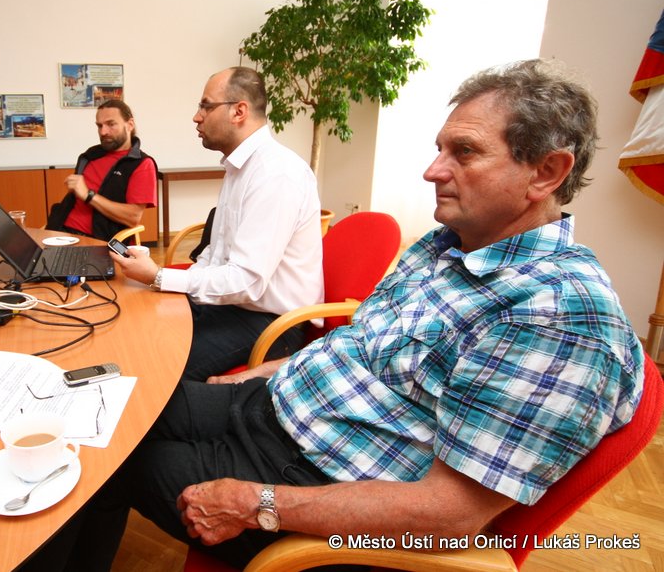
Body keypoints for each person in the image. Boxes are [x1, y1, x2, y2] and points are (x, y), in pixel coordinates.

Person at [36, 59, 645, 571]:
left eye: (464, 152)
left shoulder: (557, 315)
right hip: (273, 405)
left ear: (546, 172)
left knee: (99, 462)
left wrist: (255, 504)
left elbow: (451, 513)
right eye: (439, 149)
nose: (433, 170)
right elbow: (364, 343)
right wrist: (264, 373)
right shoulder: (447, 248)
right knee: (104, 408)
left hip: (305, 475)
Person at [110, 66, 324, 380]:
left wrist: (159, 277)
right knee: (138, 328)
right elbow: (216, 253)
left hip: (270, 324)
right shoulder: (240, 167)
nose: (196, 117)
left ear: (239, 111)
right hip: (232, 306)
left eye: (206, 106)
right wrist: (169, 284)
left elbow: (246, 281)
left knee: (152, 368)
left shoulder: (276, 174)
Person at [46, 98, 158, 240]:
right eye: (99, 126)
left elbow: (133, 217)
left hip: (96, 242)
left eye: (111, 124)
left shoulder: (142, 164)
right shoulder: (90, 155)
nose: (103, 132)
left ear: (130, 125)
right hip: (59, 232)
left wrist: (89, 195)